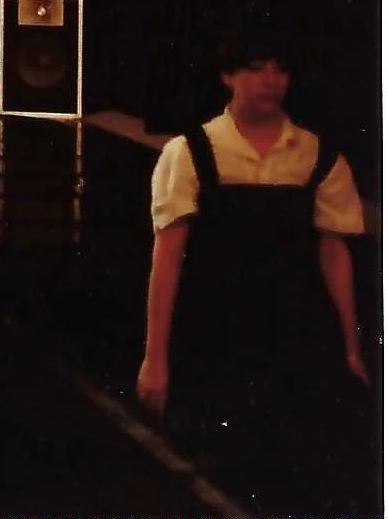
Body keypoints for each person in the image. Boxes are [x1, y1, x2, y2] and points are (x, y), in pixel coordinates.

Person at [135, 27, 370, 423]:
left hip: (295, 335)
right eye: (256, 68)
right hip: (213, 336)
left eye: (280, 70)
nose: (270, 80)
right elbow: (168, 258)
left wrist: (351, 349)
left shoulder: (318, 155)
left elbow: (333, 255)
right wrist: (155, 358)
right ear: (228, 76)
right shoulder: (189, 152)